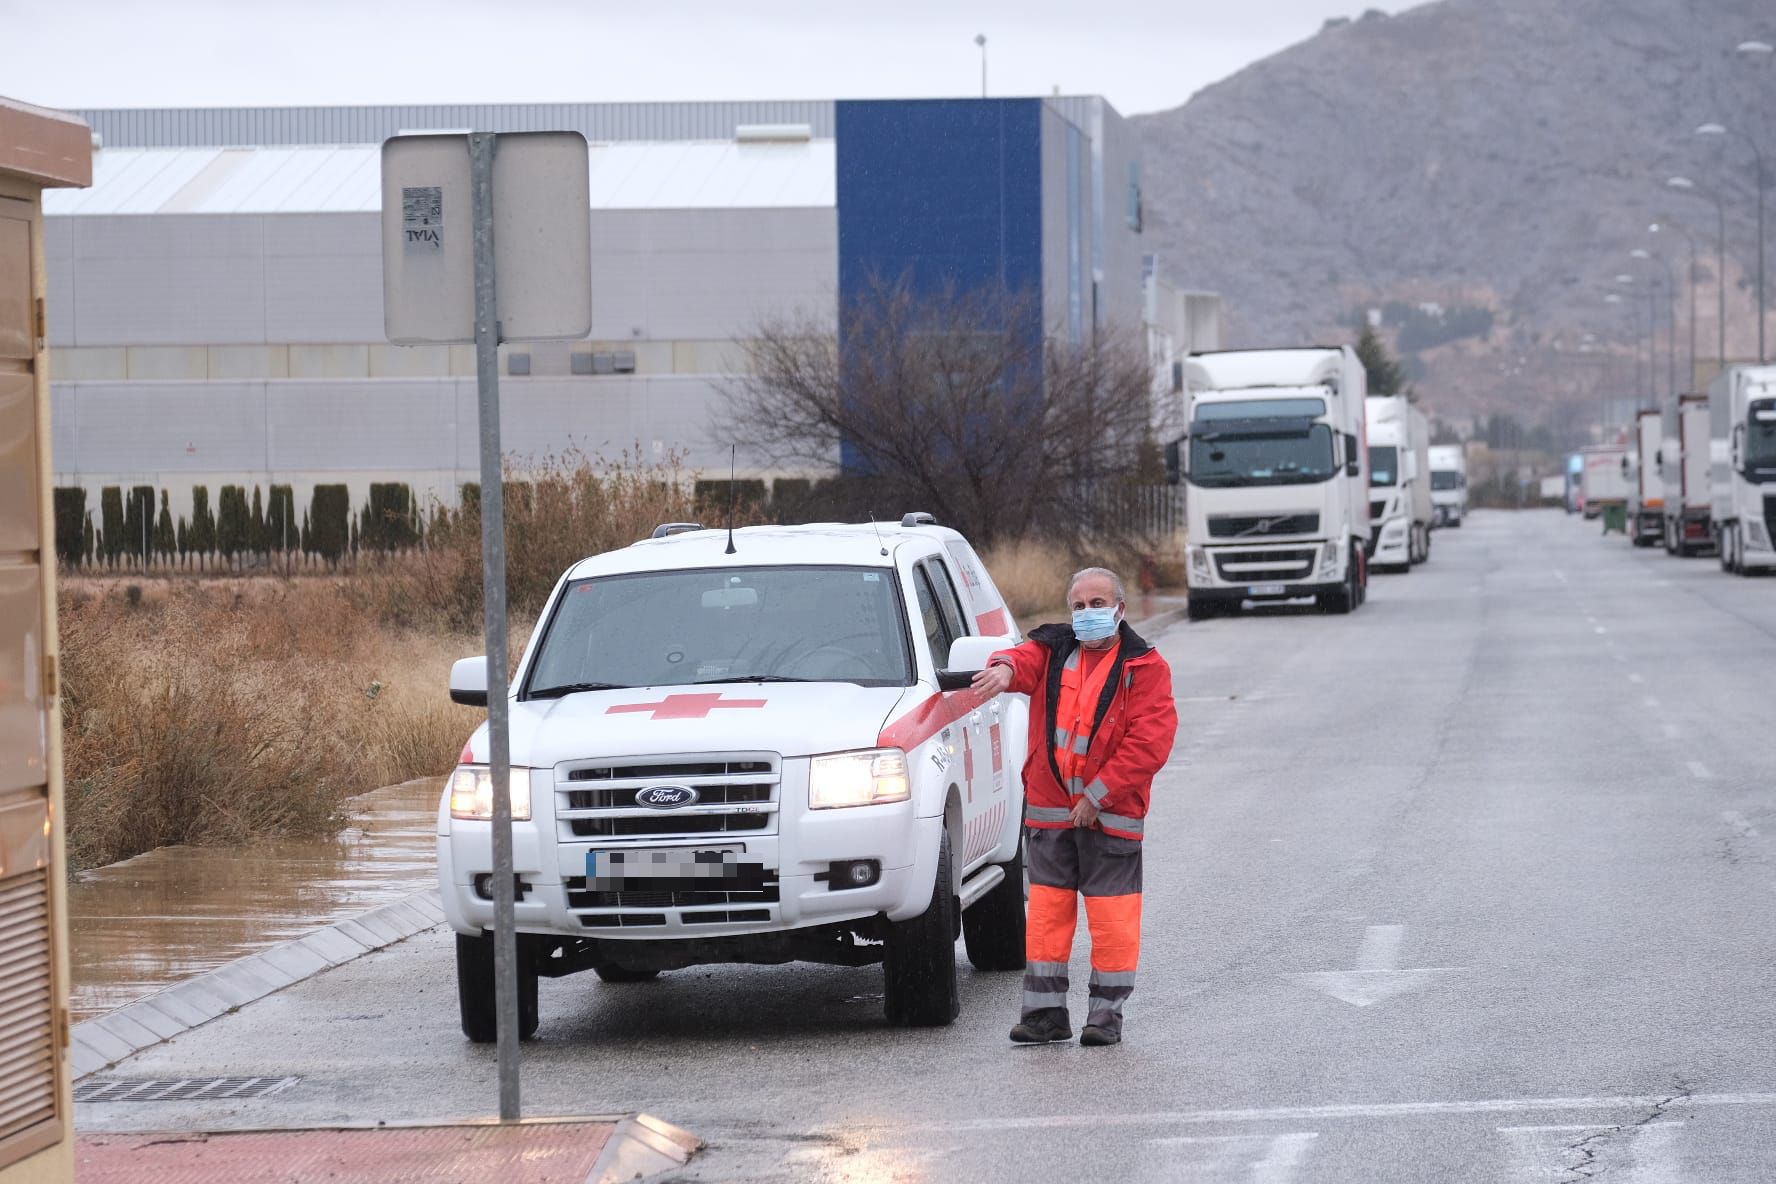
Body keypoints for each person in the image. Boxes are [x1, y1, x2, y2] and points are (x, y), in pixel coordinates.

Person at [971, 566, 1178, 1046]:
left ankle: (1105, 1017)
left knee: (1112, 921)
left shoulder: (1144, 666)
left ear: (1120, 610)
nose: (1087, 614)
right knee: (1046, 917)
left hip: (1111, 816)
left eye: (1098, 605)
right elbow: (1022, 657)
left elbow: (1150, 742)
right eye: (1079, 606)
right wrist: (1003, 667)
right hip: (1050, 814)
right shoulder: (1055, 649)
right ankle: (1045, 1015)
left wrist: (1097, 796)